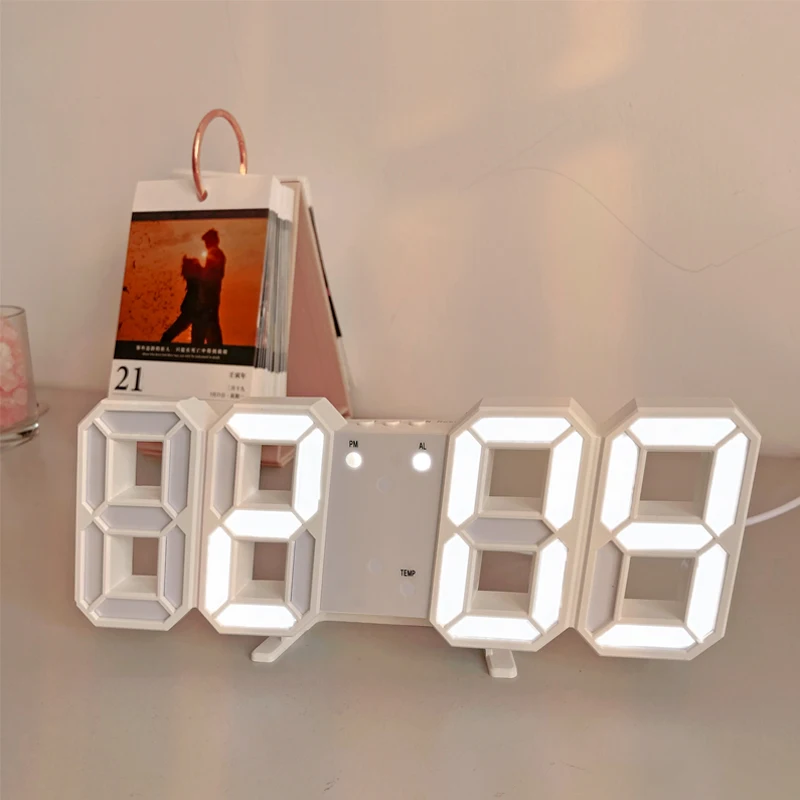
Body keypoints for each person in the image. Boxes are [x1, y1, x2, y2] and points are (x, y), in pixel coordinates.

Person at [160, 256, 204, 344]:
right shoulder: (197, 282)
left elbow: (191, 301)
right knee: (197, 343)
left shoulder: (195, 283)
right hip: (196, 315)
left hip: (192, 314)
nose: (183, 274)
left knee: (166, 337)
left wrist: (185, 306)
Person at [197, 228, 226, 346]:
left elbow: (211, 274)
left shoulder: (215, 254)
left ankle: (215, 346)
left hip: (210, 293)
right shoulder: (217, 254)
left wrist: (199, 272)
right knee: (211, 321)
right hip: (212, 292)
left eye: (207, 241)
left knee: (210, 321)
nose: (206, 244)